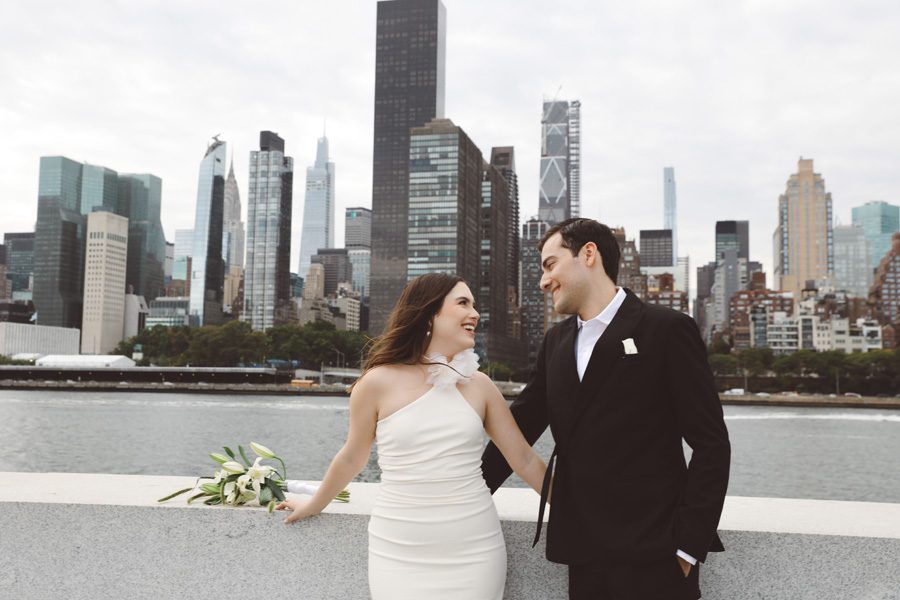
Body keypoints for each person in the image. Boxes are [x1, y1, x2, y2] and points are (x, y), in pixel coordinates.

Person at [482, 218, 731, 600]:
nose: (543, 281)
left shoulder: (666, 329)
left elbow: (711, 444)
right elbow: (518, 427)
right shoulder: (556, 342)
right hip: (584, 554)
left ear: (588, 254)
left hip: (658, 556)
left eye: (550, 265)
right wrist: (466, 493)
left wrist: (687, 548)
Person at [277, 273, 547, 599]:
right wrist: (315, 504)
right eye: (463, 303)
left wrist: (574, 509)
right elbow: (352, 456)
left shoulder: (481, 386)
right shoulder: (375, 383)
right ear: (429, 314)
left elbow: (524, 459)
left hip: (474, 550)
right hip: (397, 551)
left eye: (474, 305)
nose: (475, 313)